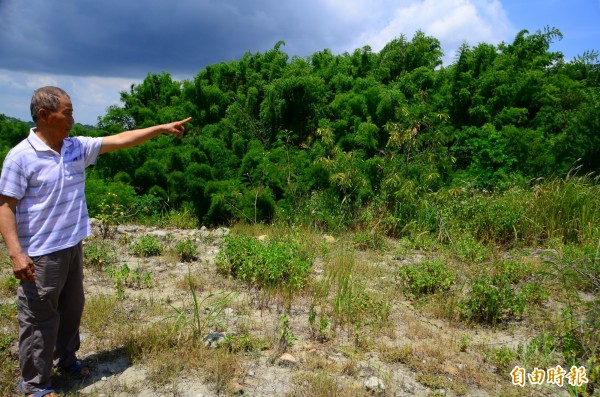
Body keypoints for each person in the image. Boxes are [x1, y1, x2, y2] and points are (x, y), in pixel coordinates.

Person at [0, 86, 191, 397]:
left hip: (72, 245)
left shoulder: (75, 147)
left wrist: (160, 129)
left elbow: (119, 140)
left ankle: (65, 360)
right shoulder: (20, 157)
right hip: (40, 253)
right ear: (45, 116)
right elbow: (5, 206)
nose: (73, 119)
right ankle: (34, 384)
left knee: (72, 308)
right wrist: (15, 254)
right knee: (39, 318)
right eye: (68, 112)